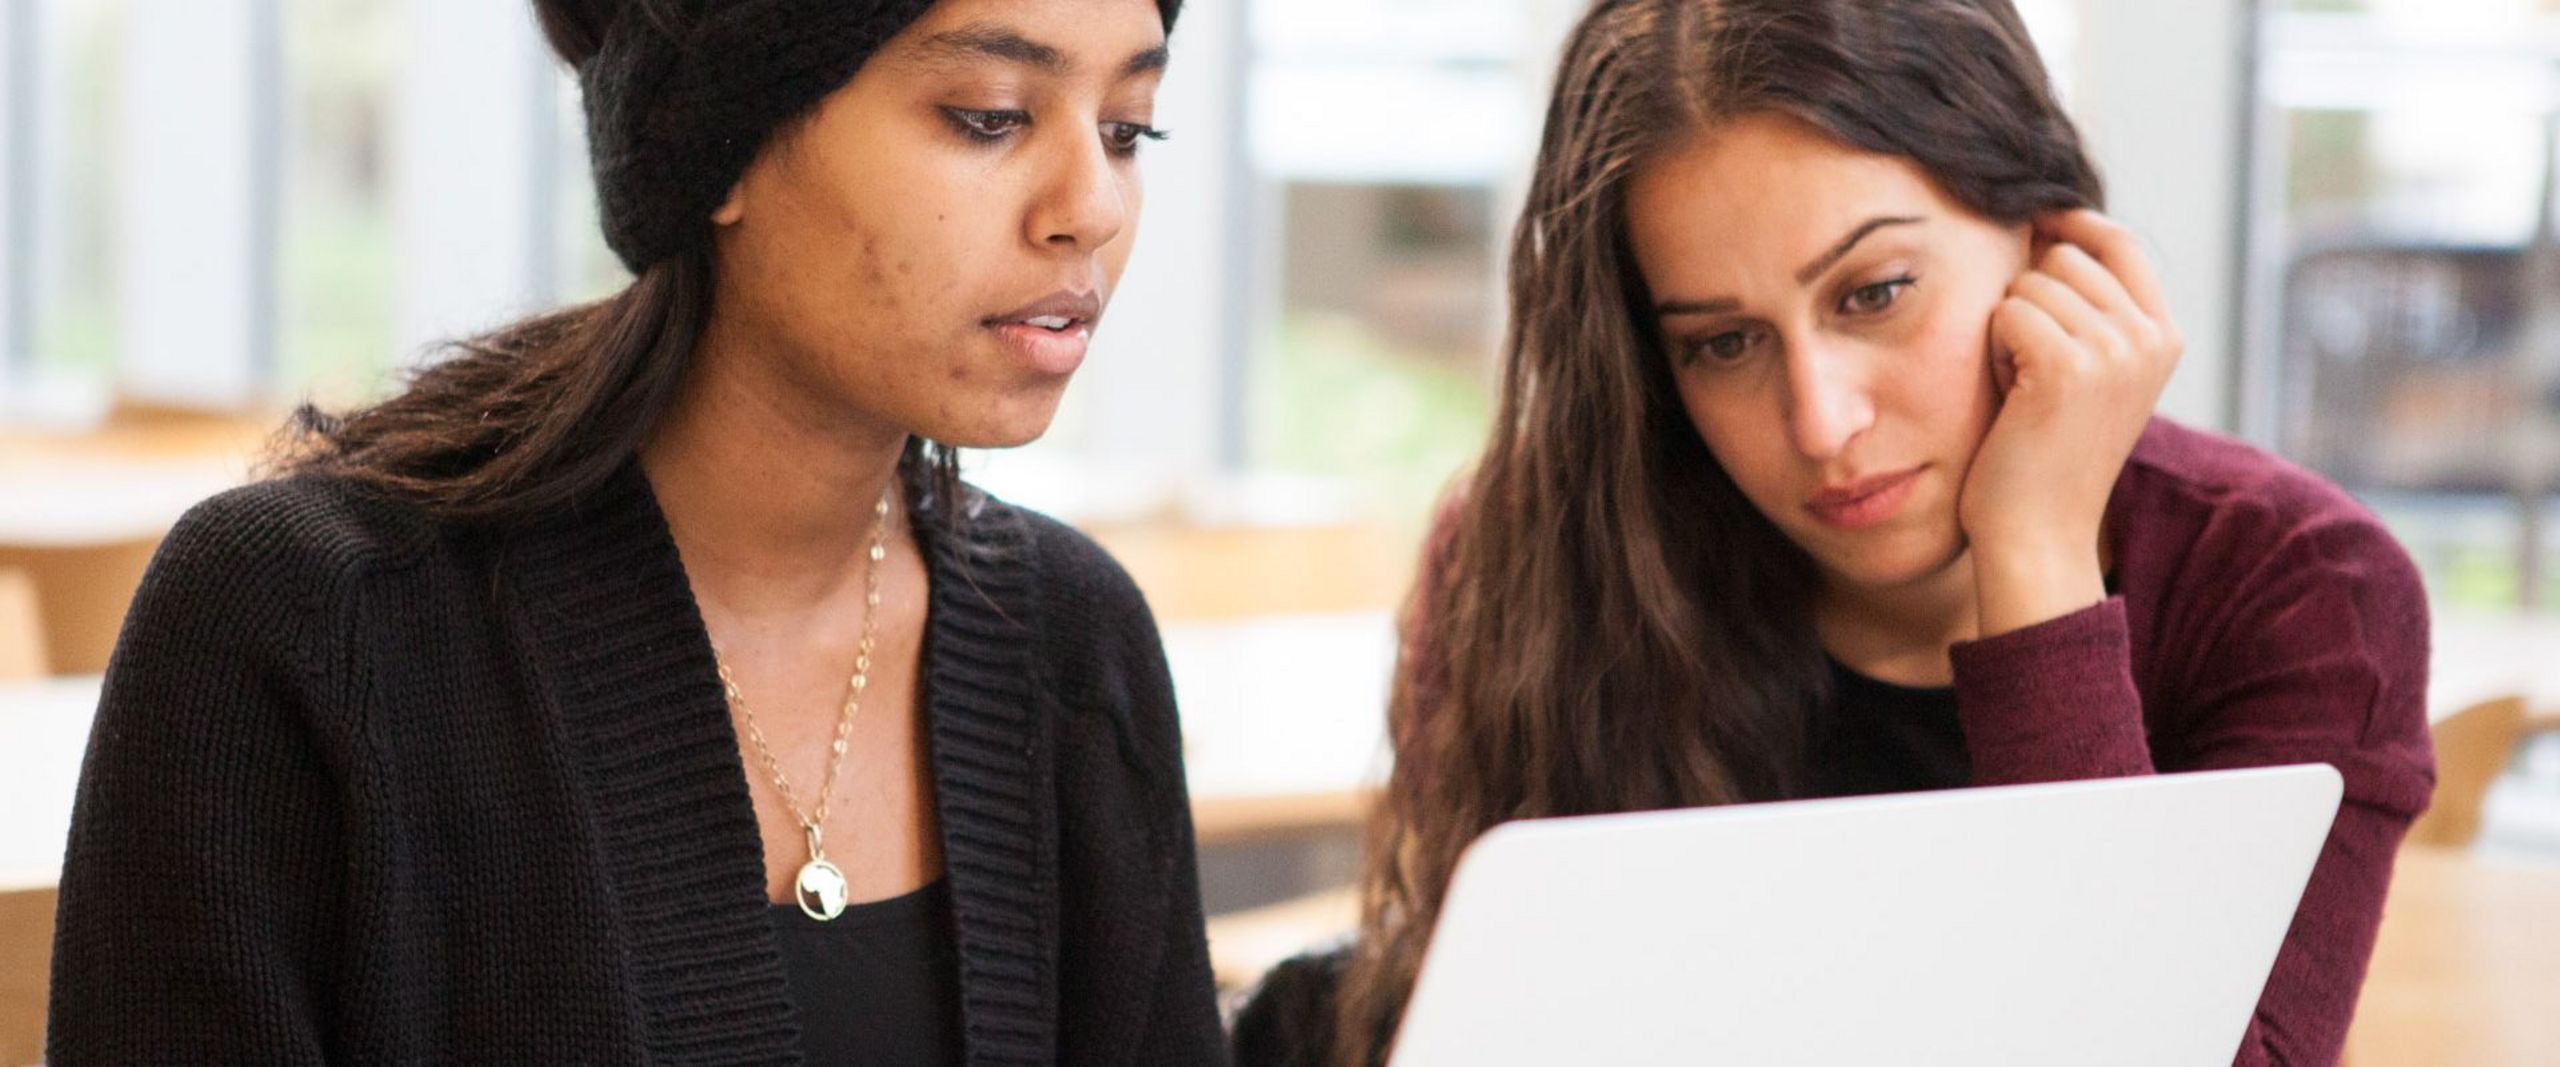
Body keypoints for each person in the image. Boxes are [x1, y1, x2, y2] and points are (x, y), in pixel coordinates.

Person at [1231, 1, 2434, 1064]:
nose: (1820, 420)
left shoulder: (2298, 585)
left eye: (1873, 292)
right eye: (1722, 342)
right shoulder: (1542, 563)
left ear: (2051, 245)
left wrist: (2035, 557)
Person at [47, 0, 1228, 1063]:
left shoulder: (1073, 645)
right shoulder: (306, 625)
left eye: (1129, 129)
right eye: (988, 117)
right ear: (723, 149)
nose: (1094, 207)